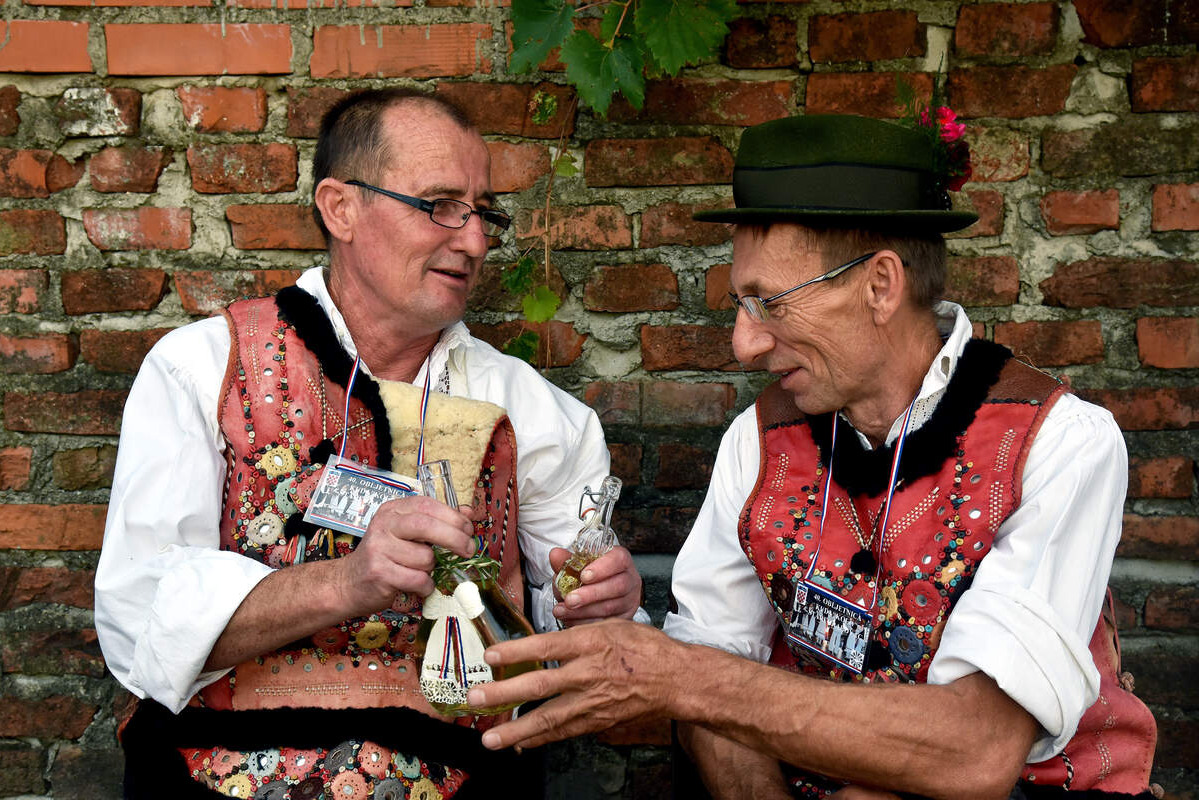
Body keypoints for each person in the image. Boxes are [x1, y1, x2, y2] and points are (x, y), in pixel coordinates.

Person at [463, 114, 1158, 799]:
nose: (744, 345)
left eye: (770, 303)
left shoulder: (1057, 445)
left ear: (880, 285)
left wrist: (681, 677)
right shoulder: (759, 440)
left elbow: (975, 750)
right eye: (741, 304)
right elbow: (710, 682)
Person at [94, 88, 644, 799]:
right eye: (439, 205)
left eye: (483, 213)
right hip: (218, 770)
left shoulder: (536, 414)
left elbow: (580, 658)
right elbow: (138, 621)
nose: (474, 241)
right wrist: (347, 582)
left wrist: (602, 610)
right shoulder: (201, 368)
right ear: (340, 208)